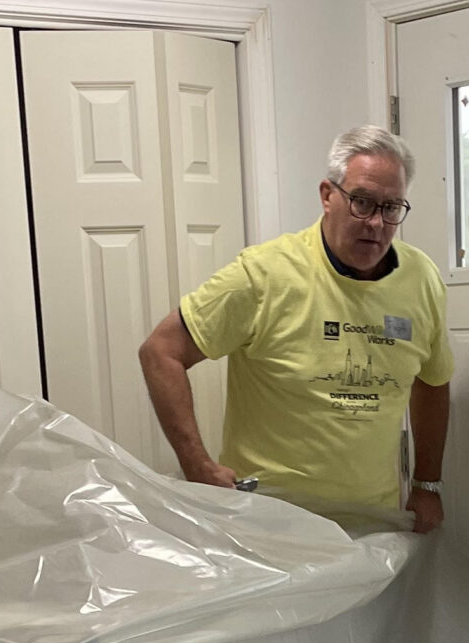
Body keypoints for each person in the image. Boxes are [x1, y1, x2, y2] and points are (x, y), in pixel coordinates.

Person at [140, 125, 453, 532]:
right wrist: (196, 465)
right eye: (361, 202)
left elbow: (433, 381)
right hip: (270, 526)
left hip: (373, 523)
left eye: (391, 208)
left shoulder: (420, 279)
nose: (376, 223)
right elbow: (161, 351)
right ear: (327, 195)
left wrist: (427, 483)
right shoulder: (264, 275)